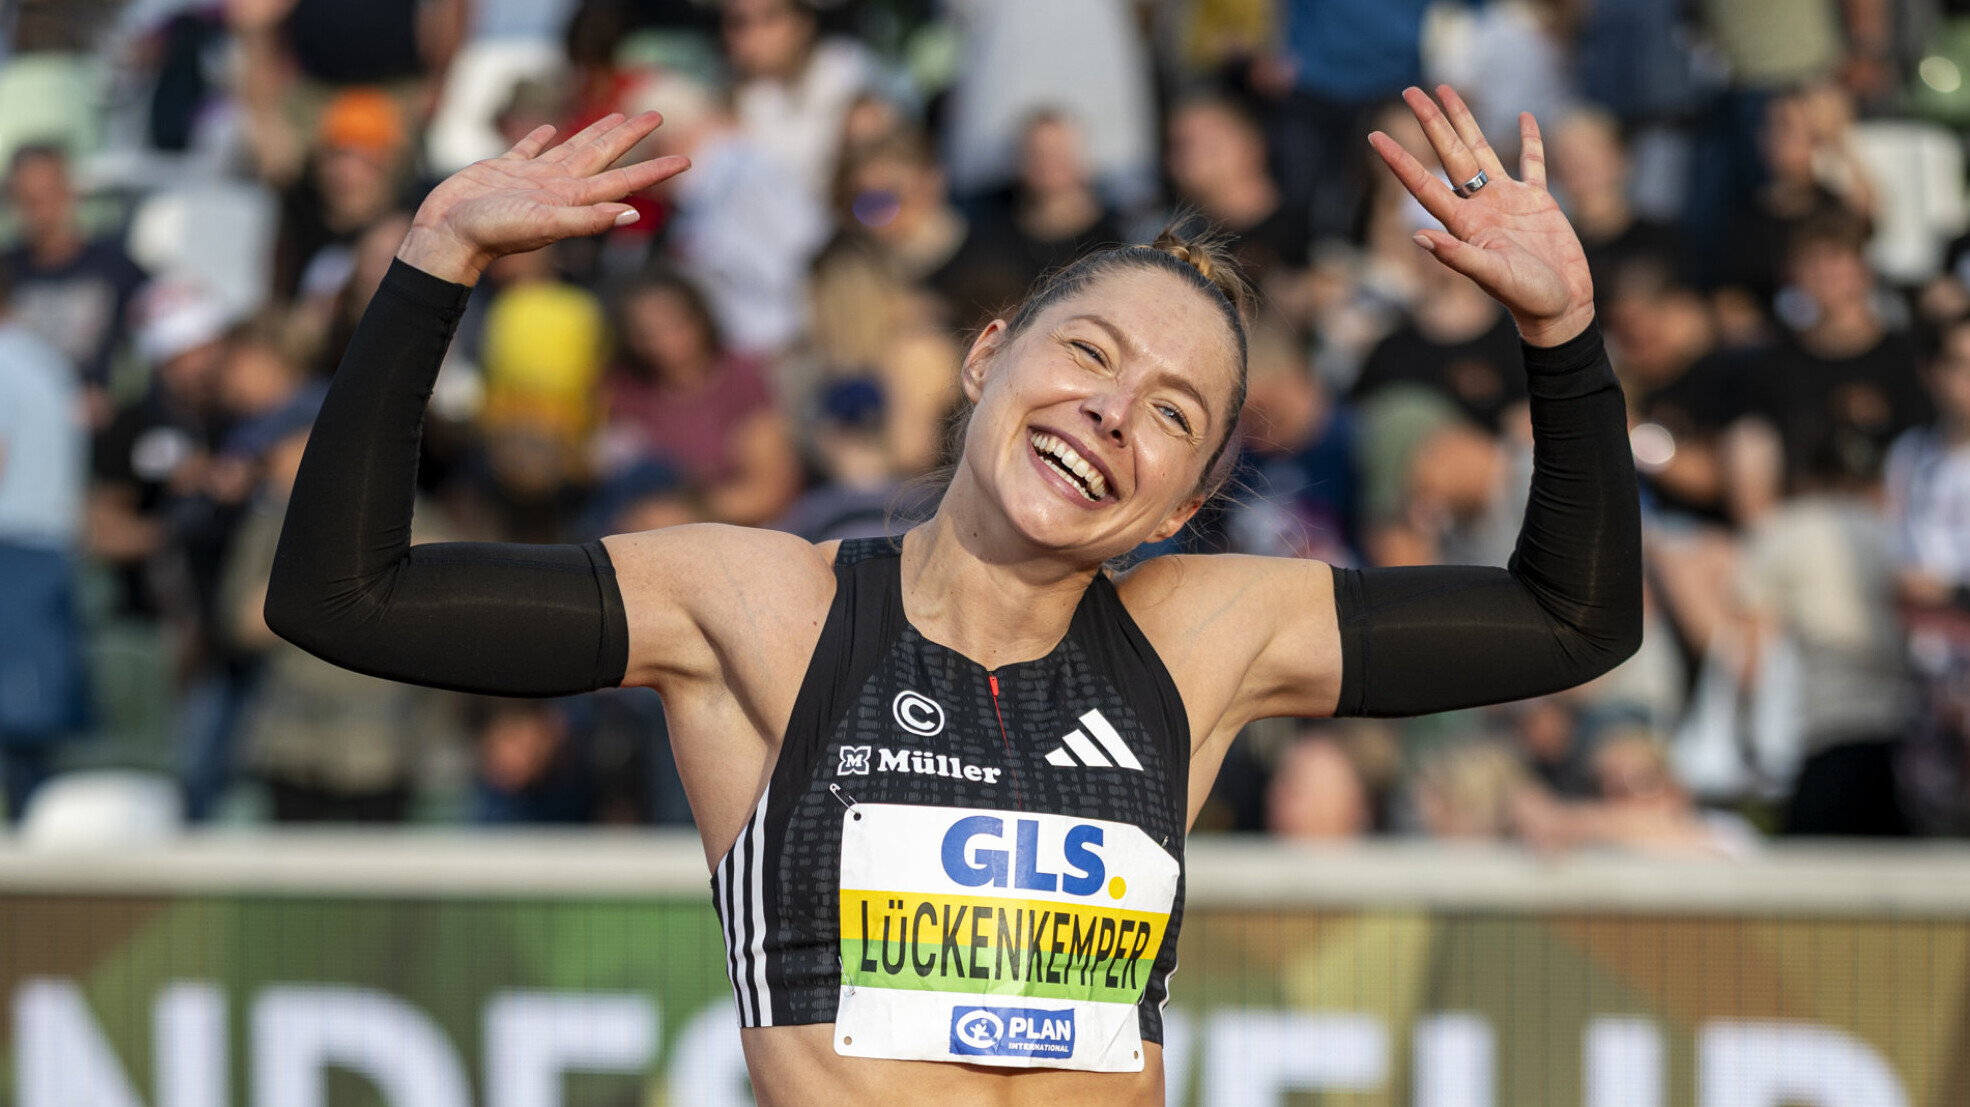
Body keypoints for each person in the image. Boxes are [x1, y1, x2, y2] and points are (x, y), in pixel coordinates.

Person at [265, 88, 1640, 1103]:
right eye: (1084, 353)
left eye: (1169, 415)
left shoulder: (1205, 637)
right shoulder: (760, 607)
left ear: (1178, 505)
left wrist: (1561, 334)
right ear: (986, 356)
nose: (1107, 413)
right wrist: (433, 263)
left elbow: (1571, 619)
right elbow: (346, 597)